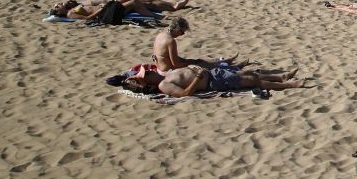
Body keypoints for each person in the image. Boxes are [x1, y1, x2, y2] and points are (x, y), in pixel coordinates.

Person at [125, 64, 304, 98]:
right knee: (252, 80)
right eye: (146, 74)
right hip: (212, 81)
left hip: (211, 73)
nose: (149, 71)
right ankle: (288, 84)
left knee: (248, 73)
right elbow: (185, 94)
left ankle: (281, 77)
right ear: (147, 81)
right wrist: (197, 77)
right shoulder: (164, 85)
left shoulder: (164, 75)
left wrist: (195, 68)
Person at [50, 0, 189, 19]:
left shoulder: (73, 6)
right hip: (107, 12)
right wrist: (102, 9)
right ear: (59, 12)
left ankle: (173, 5)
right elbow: (88, 18)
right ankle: (159, 14)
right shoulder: (70, 14)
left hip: (109, 6)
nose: (59, 4)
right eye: (57, 6)